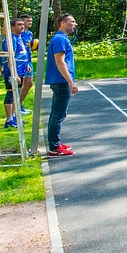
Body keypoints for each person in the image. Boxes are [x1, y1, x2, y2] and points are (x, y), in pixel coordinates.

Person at [45, 13, 79, 157]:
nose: (75, 24)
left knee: (57, 113)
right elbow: (60, 62)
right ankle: (54, 147)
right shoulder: (59, 39)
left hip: (60, 81)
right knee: (58, 114)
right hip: (61, 81)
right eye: (72, 21)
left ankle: (55, 143)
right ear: (63, 24)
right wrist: (70, 82)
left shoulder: (62, 38)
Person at [0, 20, 32, 128]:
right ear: (13, 27)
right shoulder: (10, 39)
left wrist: (26, 64)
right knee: (11, 93)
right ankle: (9, 119)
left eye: (23, 24)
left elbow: (22, 53)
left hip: (22, 70)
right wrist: (15, 73)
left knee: (16, 93)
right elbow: (10, 57)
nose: (22, 26)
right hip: (13, 71)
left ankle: (14, 117)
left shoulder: (20, 38)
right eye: (19, 25)